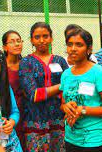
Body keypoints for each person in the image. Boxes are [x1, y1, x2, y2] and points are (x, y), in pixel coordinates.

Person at [60, 28, 102, 152]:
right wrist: (66, 107)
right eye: (70, 45)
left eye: (79, 45)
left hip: (94, 140)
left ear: (89, 49)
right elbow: (63, 104)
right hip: (71, 138)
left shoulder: (98, 72)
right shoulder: (66, 74)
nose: (73, 49)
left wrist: (83, 110)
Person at [19, 22, 68, 152]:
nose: (42, 40)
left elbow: (69, 91)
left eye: (45, 36)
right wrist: (62, 86)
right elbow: (34, 95)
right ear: (31, 40)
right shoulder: (26, 62)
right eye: (37, 37)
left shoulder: (60, 61)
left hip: (58, 118)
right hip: (35, 119)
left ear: (51, 38)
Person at [2, 30, 24, 148]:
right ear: (5, 47)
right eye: (12, 42)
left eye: (19, 41)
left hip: (27, 109)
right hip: (9, 109)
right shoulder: (0, 66)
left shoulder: (26, 63)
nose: (17, 44)